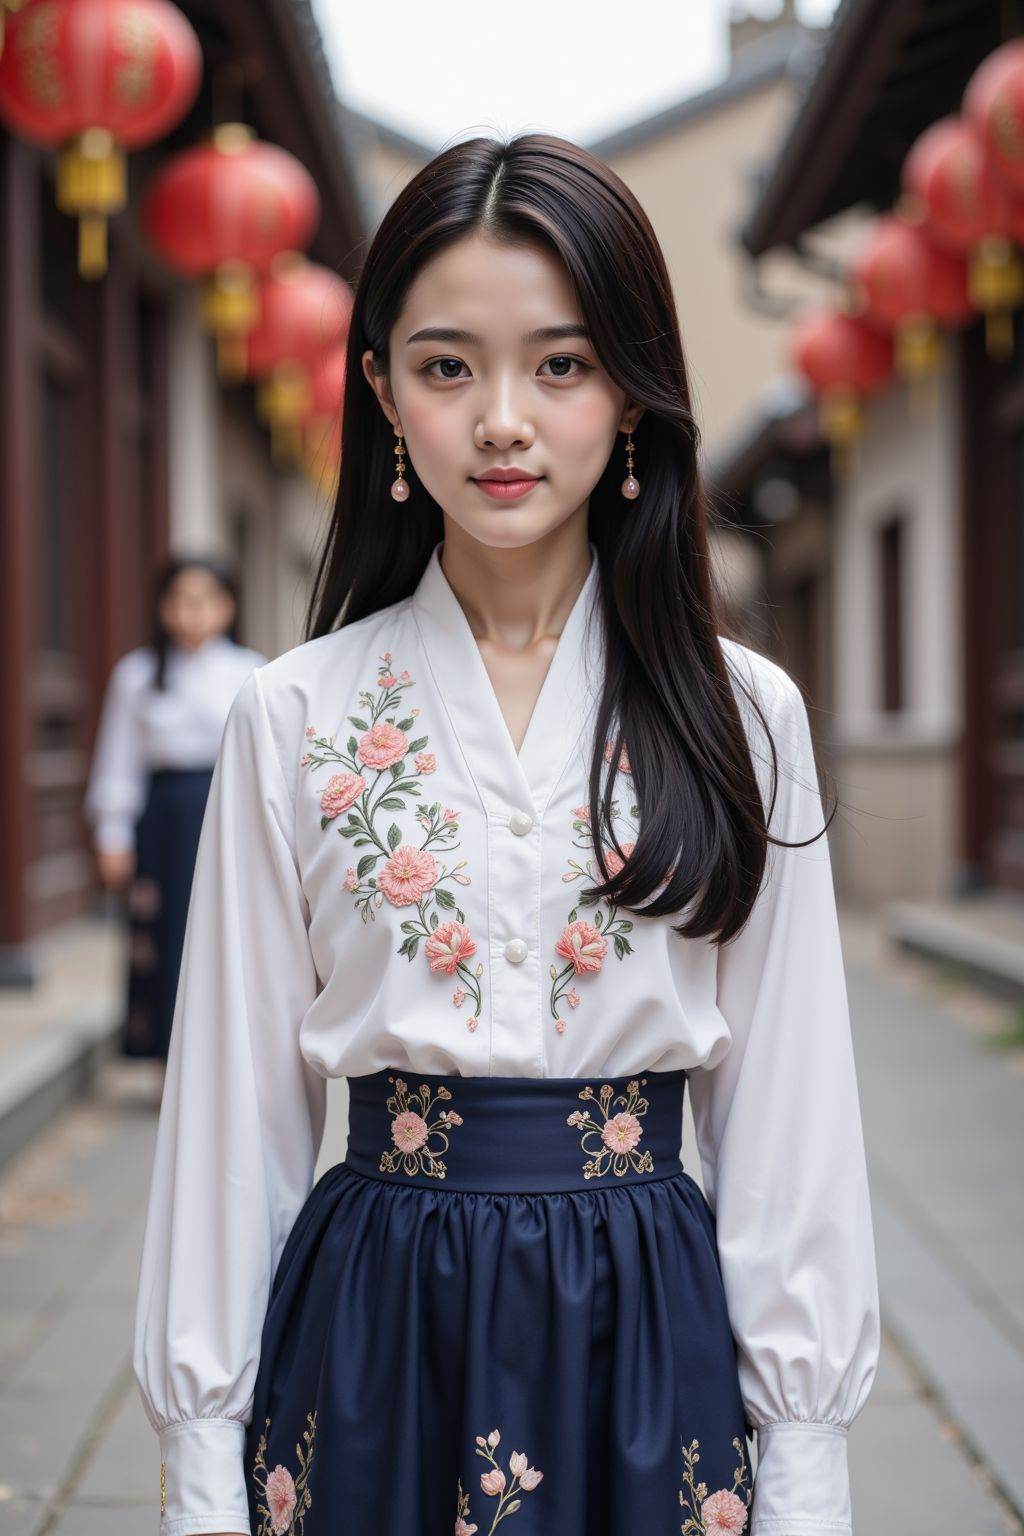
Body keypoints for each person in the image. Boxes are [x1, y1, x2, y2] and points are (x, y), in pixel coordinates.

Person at [131, 135, 880, 1536]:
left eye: (561, 363)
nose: (502, 421)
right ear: (381, 392)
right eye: (446, 365)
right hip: (372, 1323)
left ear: (634, 394)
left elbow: (792, 1117)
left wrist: (805, 1469)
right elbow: (233, 1112)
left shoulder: (744, 716)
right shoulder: (292, 716)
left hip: (647, 1324)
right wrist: (200, 1464)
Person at [84, 555, 266, 1071]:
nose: (193, 612)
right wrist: (112, 833)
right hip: (162, 822)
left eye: (206, 599)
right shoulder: (138, 675)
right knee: (166, 933)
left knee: (229, 932)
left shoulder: (251, 670)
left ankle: (227, 1060)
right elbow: (117, 758)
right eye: (181, 599)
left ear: (229, 606)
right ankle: (170, 1058)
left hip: (228, 813)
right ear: (163, 608)